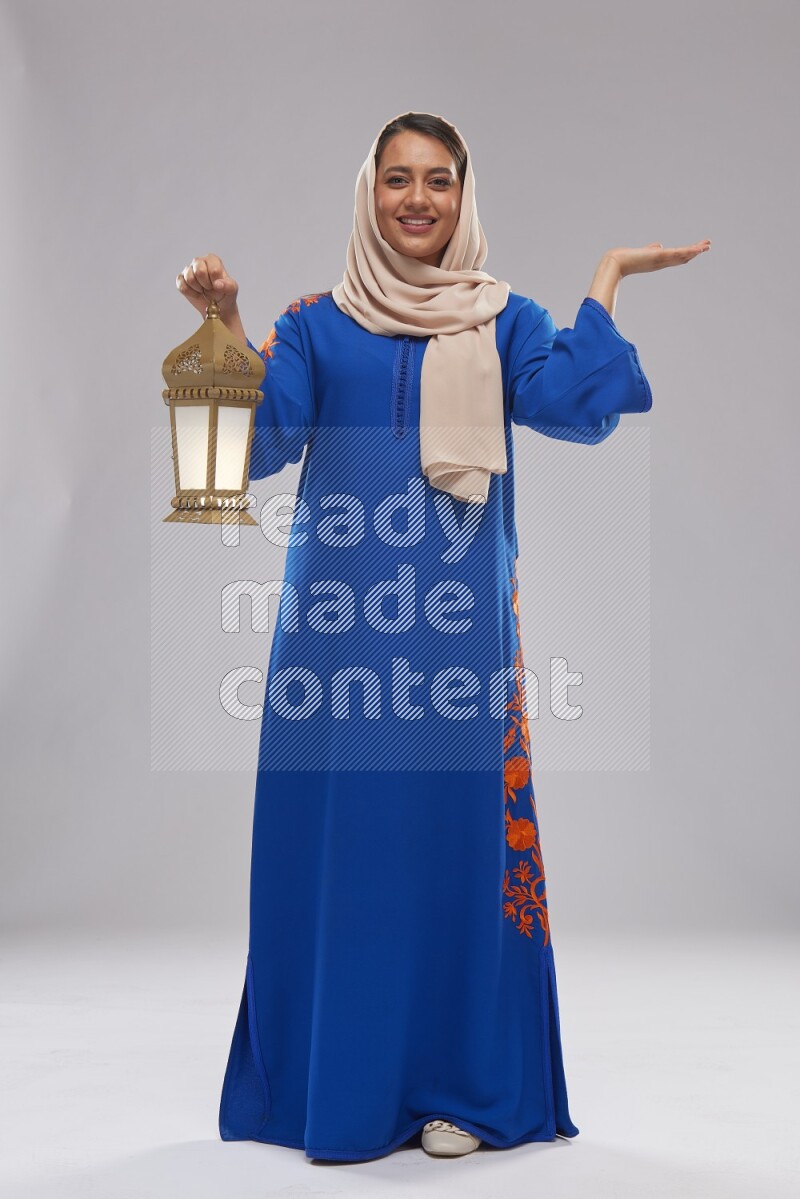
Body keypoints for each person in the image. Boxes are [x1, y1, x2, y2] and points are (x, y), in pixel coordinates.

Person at [176, 111, 709, 1164]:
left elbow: (575, 405)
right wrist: (227, 323)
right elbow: (250, 450)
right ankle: (339, 1078)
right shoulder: (317, 323)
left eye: (437, 181)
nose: (416, 200)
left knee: (449, 846)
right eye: (394, 180)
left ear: (464, 195)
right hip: (334, 643)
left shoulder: (502, 319)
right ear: (366, 192)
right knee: (348, 849)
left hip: (458, 646)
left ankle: (459, 1083)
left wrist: (603, 276)